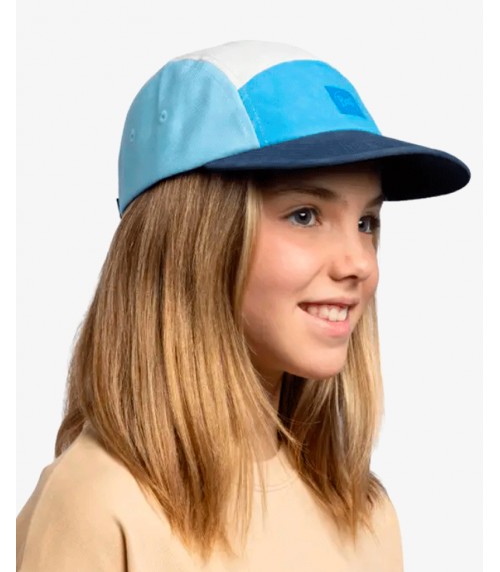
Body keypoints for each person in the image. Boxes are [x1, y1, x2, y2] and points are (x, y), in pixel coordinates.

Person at [16, 39, 470, 571]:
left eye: (366, 222)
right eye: (305, 215)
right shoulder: (98, 503)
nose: (359, 263)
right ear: (191, 242)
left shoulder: (365, 513)